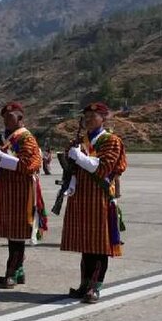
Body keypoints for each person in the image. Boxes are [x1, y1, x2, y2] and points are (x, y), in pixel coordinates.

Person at [59, 102, 127, 303]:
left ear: (103, 118)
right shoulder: (80, 141)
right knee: (86, 244)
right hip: (81, 197)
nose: (88, 119)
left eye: (93, 116)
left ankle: (95, 287)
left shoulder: (111, 141)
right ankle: (84, 284)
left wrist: (78, 156)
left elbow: (102, 168)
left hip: (100, 198)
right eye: (86, 116)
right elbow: (71, 168)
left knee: (99, 245)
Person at [0, 103, 44, 288]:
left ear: (20, 117)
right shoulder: (5, 138)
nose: (6, 120)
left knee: (18, 233)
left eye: (10, 117)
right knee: (12, 233)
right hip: (8, 190)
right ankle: (17, 271)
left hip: (21, 190)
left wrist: (1, 158)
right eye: (4, 117)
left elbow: (29, 165)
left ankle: (12, 271)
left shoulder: (27, 138)